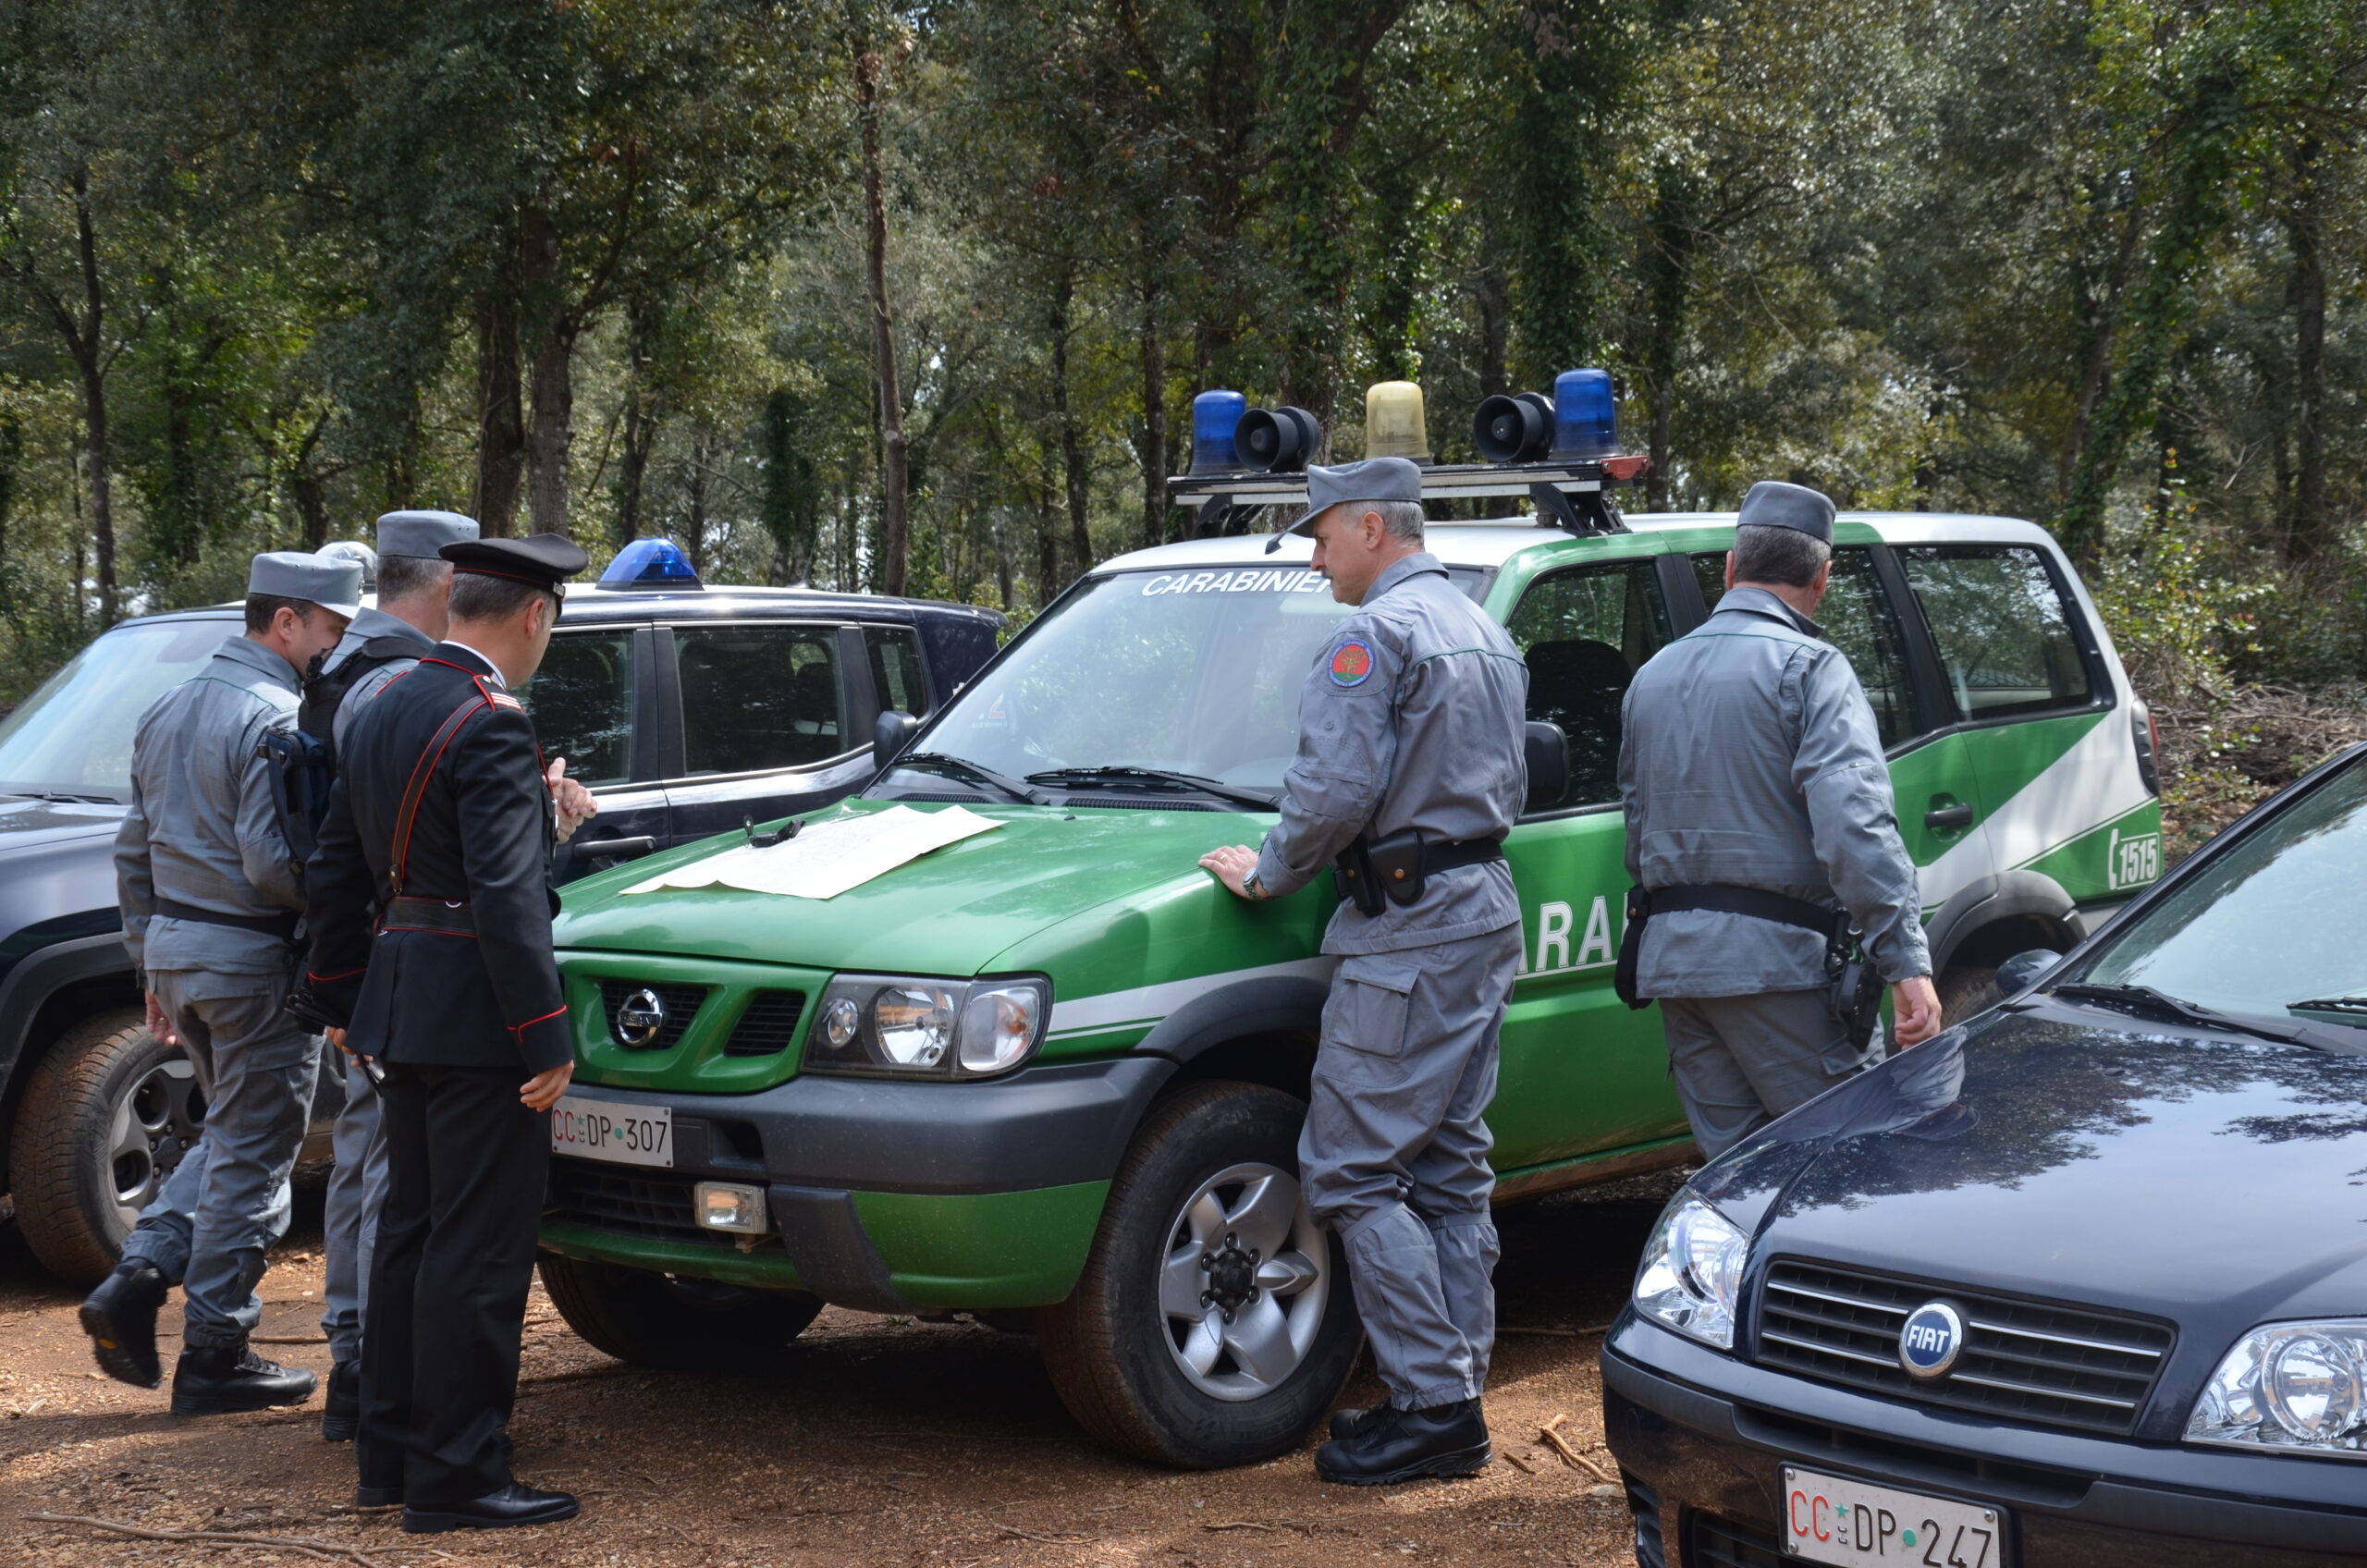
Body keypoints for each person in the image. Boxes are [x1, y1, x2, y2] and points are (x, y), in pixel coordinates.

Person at [1196, 458, 1528, 1487]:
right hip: (1478, 914)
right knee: (1448, 1166)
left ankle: (1432, 1406)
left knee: (1348, 1167)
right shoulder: (1483, 629)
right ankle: (1455, 1389)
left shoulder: (1372, 636)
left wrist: (1272, 870)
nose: (1313, 551)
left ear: (1374, 527)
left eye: (1323, 533)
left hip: (1409, 930)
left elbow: (1334, 789)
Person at [300, 533, 587, 1535]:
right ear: (533, 616)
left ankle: (390, 1457)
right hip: (478, 1016)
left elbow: (333, 865)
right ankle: (459, 1475)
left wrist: (339, 997)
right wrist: (547, 1036)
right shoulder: (491, 720)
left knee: (411, 1238)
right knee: (479, 1250)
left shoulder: (376, 702)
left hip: (399, 1003)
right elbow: (508, 894)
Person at [80, 550, 361, 1414]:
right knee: (256, 1152)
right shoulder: (278, 717)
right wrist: (350, 894)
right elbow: (271, 865)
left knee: (236, 1137)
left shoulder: (167, 708)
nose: (336, 648)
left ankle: (141, 1273)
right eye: (331, 630)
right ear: (287, 623)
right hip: (252, 962)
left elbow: (133, 852)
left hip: (178, 955)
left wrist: (149, 964)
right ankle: (215, 1353)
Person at [1616, 480, 1943, 1161]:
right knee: (1849, 1173)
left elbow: (1639, 833)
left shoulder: (1652, 674)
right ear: (1822, 579)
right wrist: (1906, 962)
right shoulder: (1811, 668)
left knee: (1738, 1183)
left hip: (1677, 968)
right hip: (1784, 975)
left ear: (1731, 569)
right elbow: (1855, 825)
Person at [308, 508, 476, 1444]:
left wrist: (332, 987)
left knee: (363, 1169)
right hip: (403, 966)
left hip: (359, 963)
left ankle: (353, 1356)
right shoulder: (402, 679)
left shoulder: (338, 670)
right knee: (396, 1179)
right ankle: (380, 1373)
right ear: (451, 583)